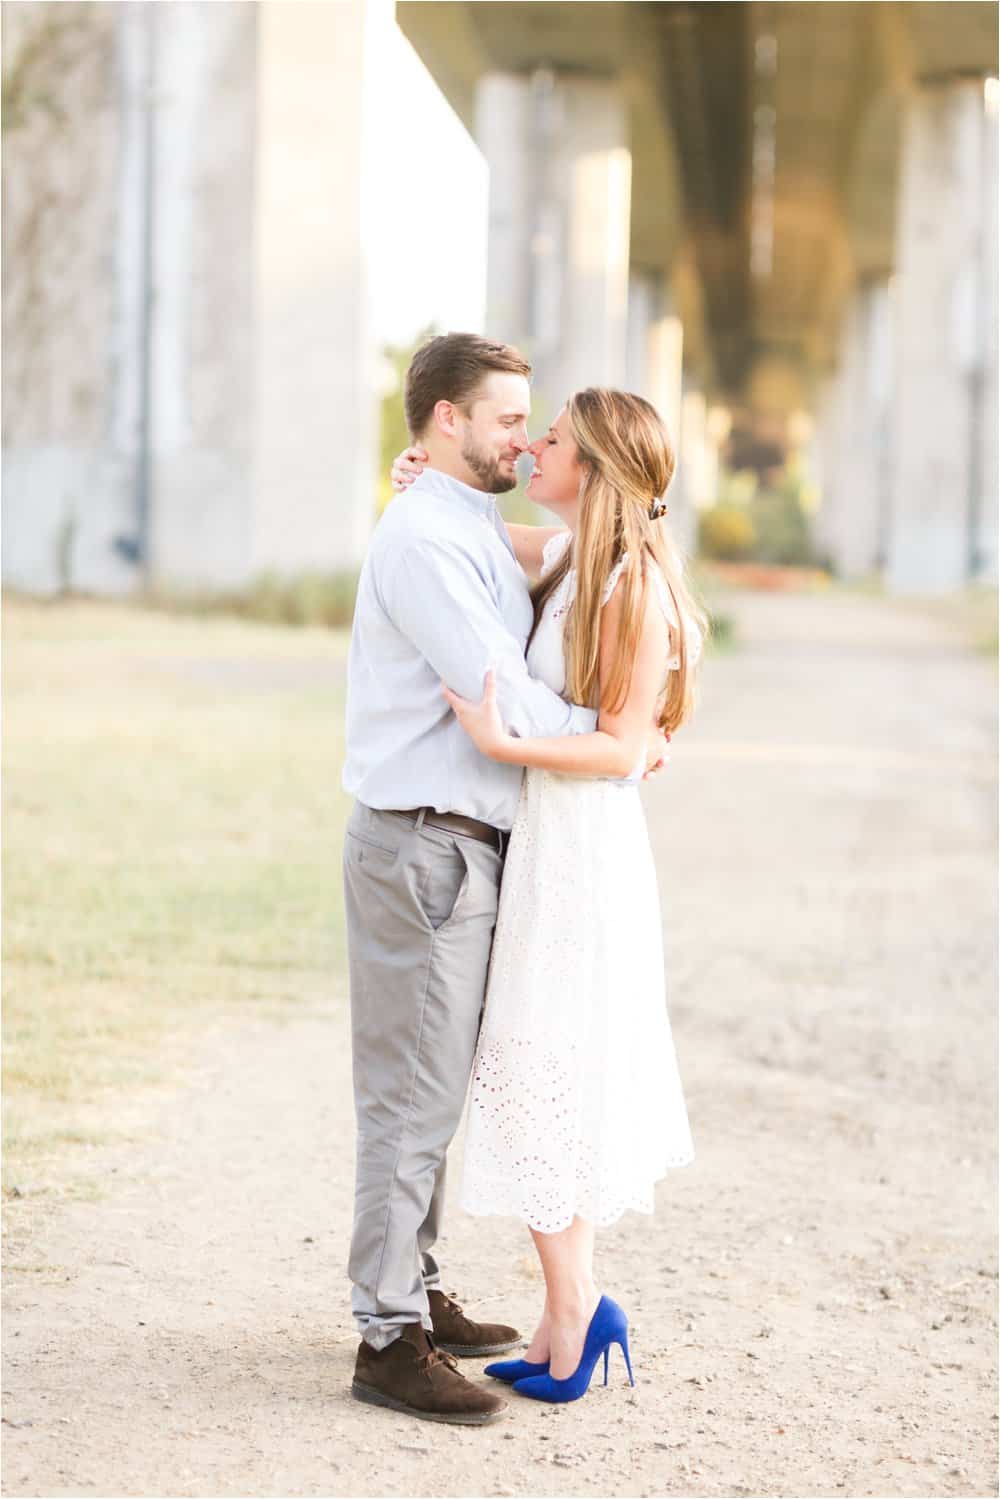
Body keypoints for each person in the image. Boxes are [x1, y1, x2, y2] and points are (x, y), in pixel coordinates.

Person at [341, 334, 670, 1427]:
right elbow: (503, 701)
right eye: (505, 420)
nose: (524, 439)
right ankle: (387, 1333)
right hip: (428, 843)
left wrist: (626, 737)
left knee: (443, 1083)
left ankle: (415, 1290)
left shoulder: (477, 526)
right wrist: (619, 739)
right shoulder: (431, 541)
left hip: (485, 848)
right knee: (413, 1095)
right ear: (445, 421)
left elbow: (558, 563)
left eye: (544, 429)